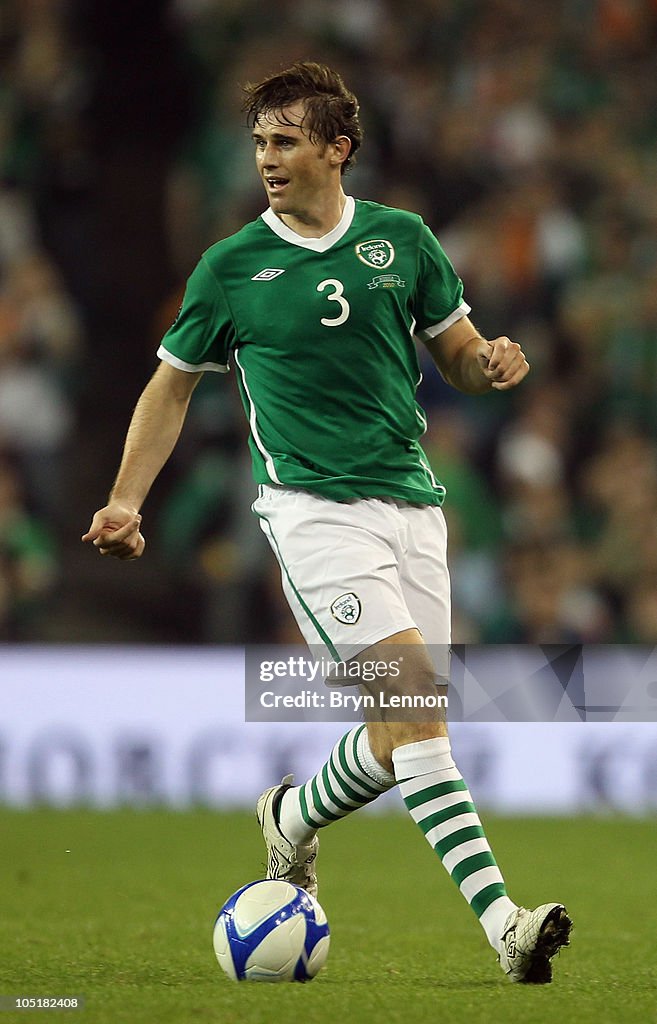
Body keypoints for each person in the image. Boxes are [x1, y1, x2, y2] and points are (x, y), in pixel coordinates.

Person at [82, 61, 572, 983]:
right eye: (260, 142)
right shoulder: (230, 268)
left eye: (286, 141)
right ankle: (505, 925)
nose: (267, 158)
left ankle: (293, 816)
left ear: (336, 149)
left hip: (413, 505)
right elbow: (169, 387)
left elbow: (456, 355)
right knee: (416, 717)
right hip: (312, 512)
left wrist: (491, 359)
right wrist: (125, 499)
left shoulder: (403, 240)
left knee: (401, 741)